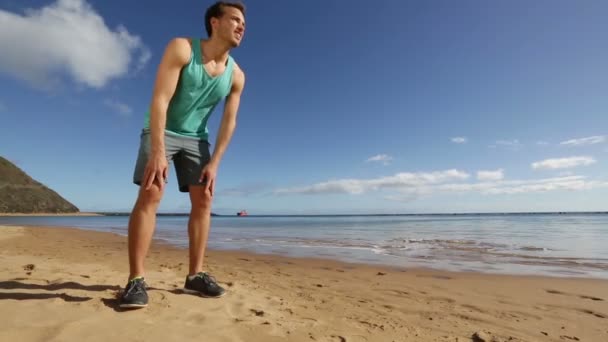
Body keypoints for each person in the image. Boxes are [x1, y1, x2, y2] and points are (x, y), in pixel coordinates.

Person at [119, 1, 246, 309]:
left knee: (204, 199)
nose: (242, 26)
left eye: (243, 22)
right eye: (235, 19)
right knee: (151, 192)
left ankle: (195, 276)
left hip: (196, 139)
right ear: (214, 23)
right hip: (161, 130)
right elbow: (160, 100)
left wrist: (214, 163)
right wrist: (159, 151)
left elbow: (230, 122)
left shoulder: (236, 75)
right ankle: (136, 279)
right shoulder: (182, 48)